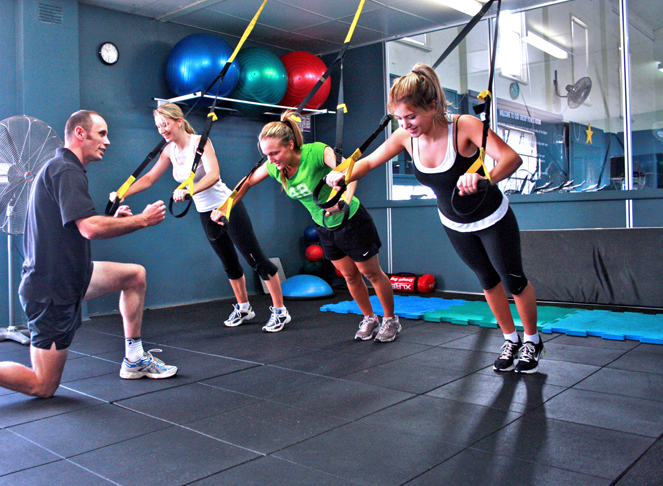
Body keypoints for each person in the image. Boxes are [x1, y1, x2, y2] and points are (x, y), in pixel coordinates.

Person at [0, 110, 177, 403]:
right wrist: (143, 220)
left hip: (73, 274)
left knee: (134, 276)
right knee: (42, 385)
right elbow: (91, 228)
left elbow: (75, 223)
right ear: (80, 133)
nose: (108, 141)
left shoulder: (63, 167)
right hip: (51, 290)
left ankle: (134, 359)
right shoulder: (66, 170)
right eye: (102, 133)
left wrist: (116, 218)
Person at [326, 63, 544, 373]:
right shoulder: (405, 137)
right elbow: (370, 161)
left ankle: (532, 341)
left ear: (432, 105)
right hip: (455, 223)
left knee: (513, 280)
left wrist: (485, 179)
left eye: (411, 117)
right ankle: (510, 339)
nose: (406, 124)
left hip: (493, 217)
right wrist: (344, 174)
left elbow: (511, 158)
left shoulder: (464, 126)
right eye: (400, 118)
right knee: (487, 280)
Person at [211, 110, 401, 343]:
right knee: (349, 275)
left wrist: (344, 201)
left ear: (290, 144)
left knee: (370, 273)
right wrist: (226, 205)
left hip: (351, 221)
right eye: (266, 155)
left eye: (275, 153)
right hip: (324, 227)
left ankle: (391, 319)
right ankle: (369, 318)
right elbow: (248, 181)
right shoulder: (274, 167)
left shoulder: (317, 152)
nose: (271, 160)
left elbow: (350, 171)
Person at [117, 103, 289, 332]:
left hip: (227, 206)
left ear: (179, 121)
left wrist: (189, 190)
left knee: (255, 259)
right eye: (158, 126)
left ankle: (280, 311)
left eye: (165, 124)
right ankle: (244, 307)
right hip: (205, 211)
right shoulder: (169, 150)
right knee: (228, 262)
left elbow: (214, 175)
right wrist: (121, 192)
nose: (162, 130)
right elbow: (149, 178)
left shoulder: (200, 142)